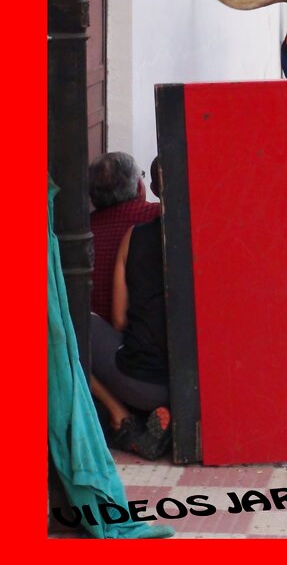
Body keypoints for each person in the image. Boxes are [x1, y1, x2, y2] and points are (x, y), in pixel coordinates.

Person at [89, 157, 172, 461]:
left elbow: (120, 320)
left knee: (66, 329)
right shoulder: (206, 235)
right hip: (194, 384)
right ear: (139, 187)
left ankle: (118, 414)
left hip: (135, 377)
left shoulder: (128, 234)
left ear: (150, 186)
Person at [88, 153, 161, 321]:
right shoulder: (156, 217)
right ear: (139, 187)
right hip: (141, 338)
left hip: (83, 340)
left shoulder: (83, 230)